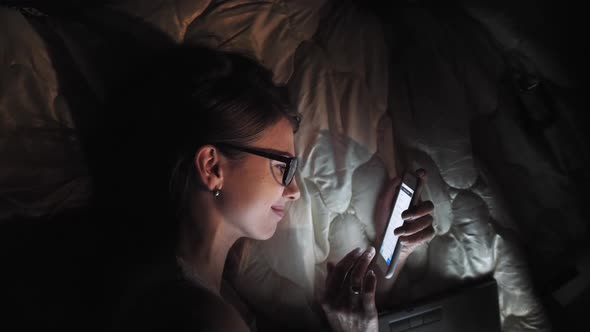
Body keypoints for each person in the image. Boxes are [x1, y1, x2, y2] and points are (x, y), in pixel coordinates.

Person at [109, 46, 434, 332]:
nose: (294, 191)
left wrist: (394, 250)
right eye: (282, 167)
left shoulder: (209, 284)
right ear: (212, 167)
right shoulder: (203, 318)